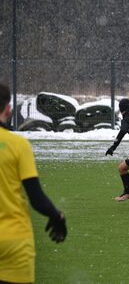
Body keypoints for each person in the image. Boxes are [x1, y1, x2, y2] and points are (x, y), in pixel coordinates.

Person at [0, 83, 67, 284]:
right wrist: (56, 216)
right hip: (14, 240)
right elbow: (36, 198)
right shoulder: (18, 146)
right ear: (8, 109)